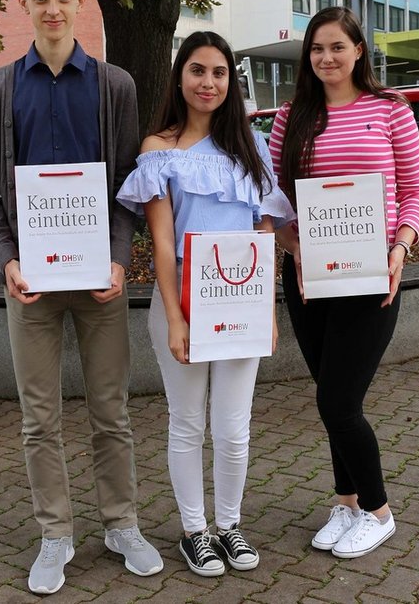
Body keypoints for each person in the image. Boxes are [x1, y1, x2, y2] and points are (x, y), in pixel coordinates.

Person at [0, 0, 162, 595]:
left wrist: (118, 254)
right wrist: (7, 259)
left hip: (98, 280)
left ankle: (121, 523)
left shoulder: (117, 86)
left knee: (112, 413)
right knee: (38, 419)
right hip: (31, 286)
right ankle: (56, 535)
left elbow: (129, 184)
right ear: (24, 3)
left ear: (83, 1)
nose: (53, 8)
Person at [116, 32, 294, 577]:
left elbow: (264, 234)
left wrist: (265, 311)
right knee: (188, 423)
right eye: (197, 71)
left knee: (234, 427)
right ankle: (195, 531)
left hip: (240, 306)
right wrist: (174, 318)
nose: (208, 82)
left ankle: (230, 526)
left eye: (219, 73)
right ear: (180, 78)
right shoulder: (157, 150)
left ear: (230, 82)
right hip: (183, 307)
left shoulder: (253, 147)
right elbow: (162, 244)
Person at [269, 7, 419, 559]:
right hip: (310, 282)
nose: (326, 58)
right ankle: (347, 501)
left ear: (359, 50)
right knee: (327, 396)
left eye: (337, 47)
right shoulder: (292, 117)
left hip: (371, 277)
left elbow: (415, 191)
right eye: (316, 49)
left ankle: (379, 512)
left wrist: (401, 247)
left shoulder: (390, 110)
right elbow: (276, 202)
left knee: (340, 402)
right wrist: (292, 245)